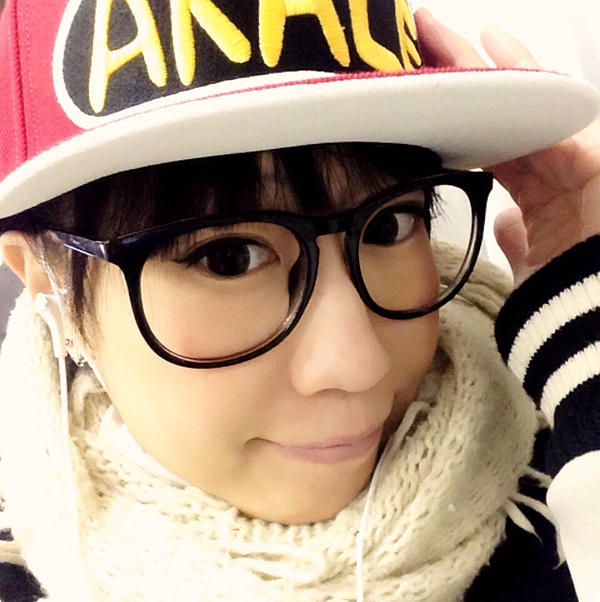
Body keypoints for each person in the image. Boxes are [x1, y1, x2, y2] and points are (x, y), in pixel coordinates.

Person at [0, 1, 599, 600]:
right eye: (228, 257)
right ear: (48, 281)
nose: (359, 366)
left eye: (389, 225)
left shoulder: (568, 452)